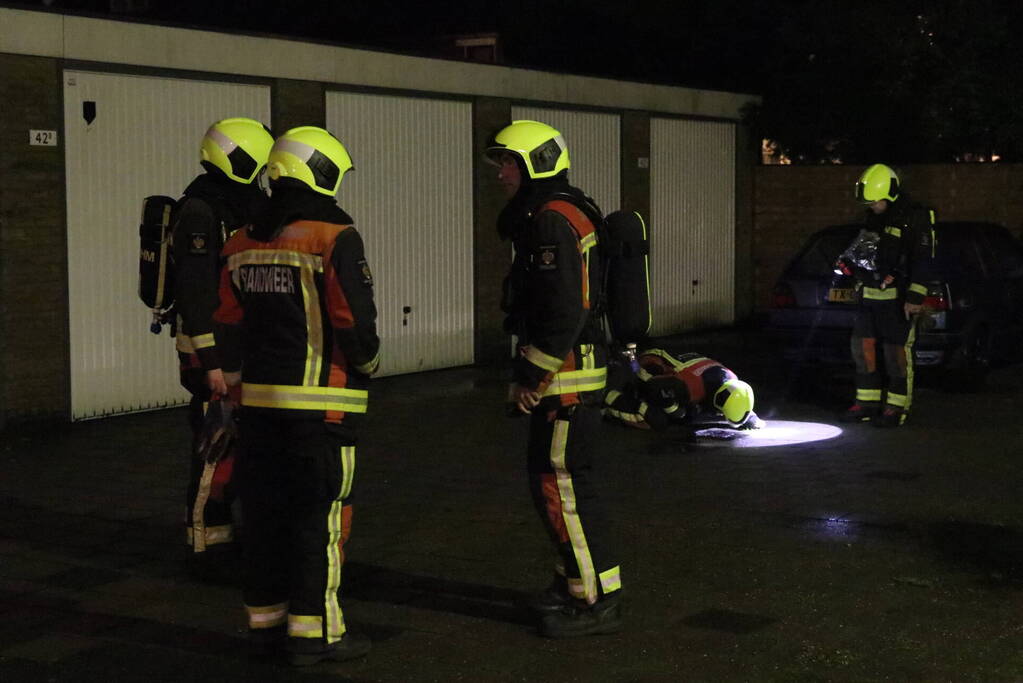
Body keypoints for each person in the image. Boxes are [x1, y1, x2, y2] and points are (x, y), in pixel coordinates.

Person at [213, 126, 380, 666]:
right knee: (321, 519)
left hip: (259, 407)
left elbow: (227, 322)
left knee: (264, 519)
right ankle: (317, 634)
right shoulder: (332, 234)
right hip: (320, 407)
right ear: (320, 172)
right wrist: (370, 365)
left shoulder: (241, 240)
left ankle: (265, 624)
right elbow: (353, 320)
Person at [485, 120, 622, 638]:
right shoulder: (560, 212)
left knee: (561, 488)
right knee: (563, 486)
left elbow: (562, 307)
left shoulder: (551, 220)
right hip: (568, 373)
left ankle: (594, 600)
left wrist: (531, 377)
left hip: (565, 377)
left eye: (508, 163)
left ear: (534, 164)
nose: (501, 174)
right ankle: (577, 581)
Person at [172, 117, 272, 558]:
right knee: (215, 444)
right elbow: (194, 293)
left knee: (243, 441)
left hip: (240, 345)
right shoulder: (200, 209)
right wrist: (211, 363)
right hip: (208, 350)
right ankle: (203, 541)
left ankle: (230, 531)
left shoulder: (248, 204)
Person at [838, 164, 937, 427]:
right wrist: (851, 266)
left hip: (897, 301)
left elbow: (924, 260)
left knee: (897, 356)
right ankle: (866, 404)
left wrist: (915, 298)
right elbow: (868, 253)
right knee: (863, 352)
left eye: (876, 201)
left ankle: (896, 408)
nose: (872, 206)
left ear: (890, 194)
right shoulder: (873, 218)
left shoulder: (915, 217)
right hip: (868, 299)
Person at [603, 349, 762, 431]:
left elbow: (738, 399)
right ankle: (609, 400)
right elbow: (654, 388)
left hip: (671, 364)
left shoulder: (730, 378)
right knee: (656, 420)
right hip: (652, 365)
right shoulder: (690, 388)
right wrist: (676, 411)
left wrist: (749, 417)